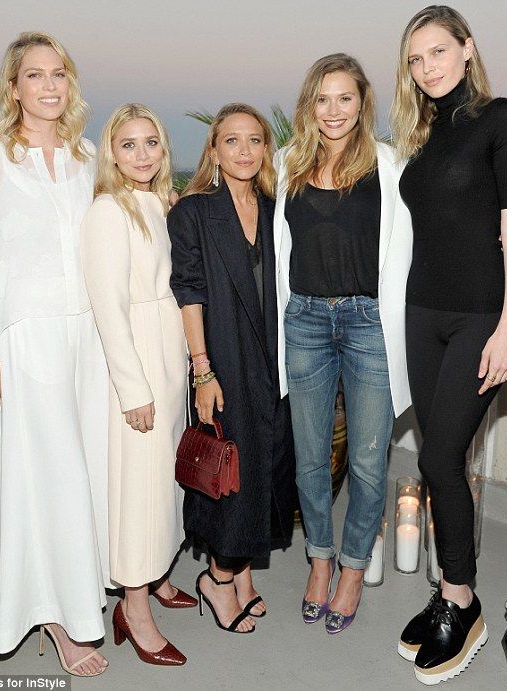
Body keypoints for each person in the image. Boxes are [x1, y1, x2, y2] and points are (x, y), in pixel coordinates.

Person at [0, 33, 111, 676]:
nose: (49, 86)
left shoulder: (90, 156)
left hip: (85, 335)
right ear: (14, 87)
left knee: (82, 472)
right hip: (25, 338)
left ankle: (80, 596)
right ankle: (59, 620)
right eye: (34, 75)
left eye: (59, 73)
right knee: (48, 478)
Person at [391, 5, 507, 685]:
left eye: (438, 52)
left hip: (479, 314)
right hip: (423, 314)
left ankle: (462, 602)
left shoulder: (502, 119)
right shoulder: (426, 131)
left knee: (444, 456)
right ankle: (450, 589)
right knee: (433, 457)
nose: (428, 68)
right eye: (416, 59)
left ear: (467, 48)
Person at [274, 54, 413, 635]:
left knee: (366, 457)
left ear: (363, 103)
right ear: (310, 104)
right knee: (309, 457)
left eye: (345, 99)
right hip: (303, 319)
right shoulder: (286, 164)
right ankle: (320, 560)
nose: (333, 111)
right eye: (322, 99)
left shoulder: (390, 166)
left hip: (368, 324)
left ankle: (353, 569)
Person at [167, 103, 297, 634]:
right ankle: (217, 580)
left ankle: (242, 575)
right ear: (213, 151)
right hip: (223, 355)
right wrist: (203, 370)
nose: (244, 151)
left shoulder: (275, 207)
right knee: (232, 471)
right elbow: (190, 292)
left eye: (254, 140)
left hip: (272, 358)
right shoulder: (194, 212)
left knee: (264, 466)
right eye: (231, 141)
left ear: (266, 149)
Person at [81, 104, 195, 667]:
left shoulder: (158, 203)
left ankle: (157, 577)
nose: (142, 154)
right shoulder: (107, 210)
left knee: (166, 483)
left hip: (169, 355)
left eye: (151, 142)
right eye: (128, 145)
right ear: (111, 153)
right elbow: (108, 306)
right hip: (140, 362)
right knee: (139, 492)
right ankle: (133, 605)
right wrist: (133, 389)